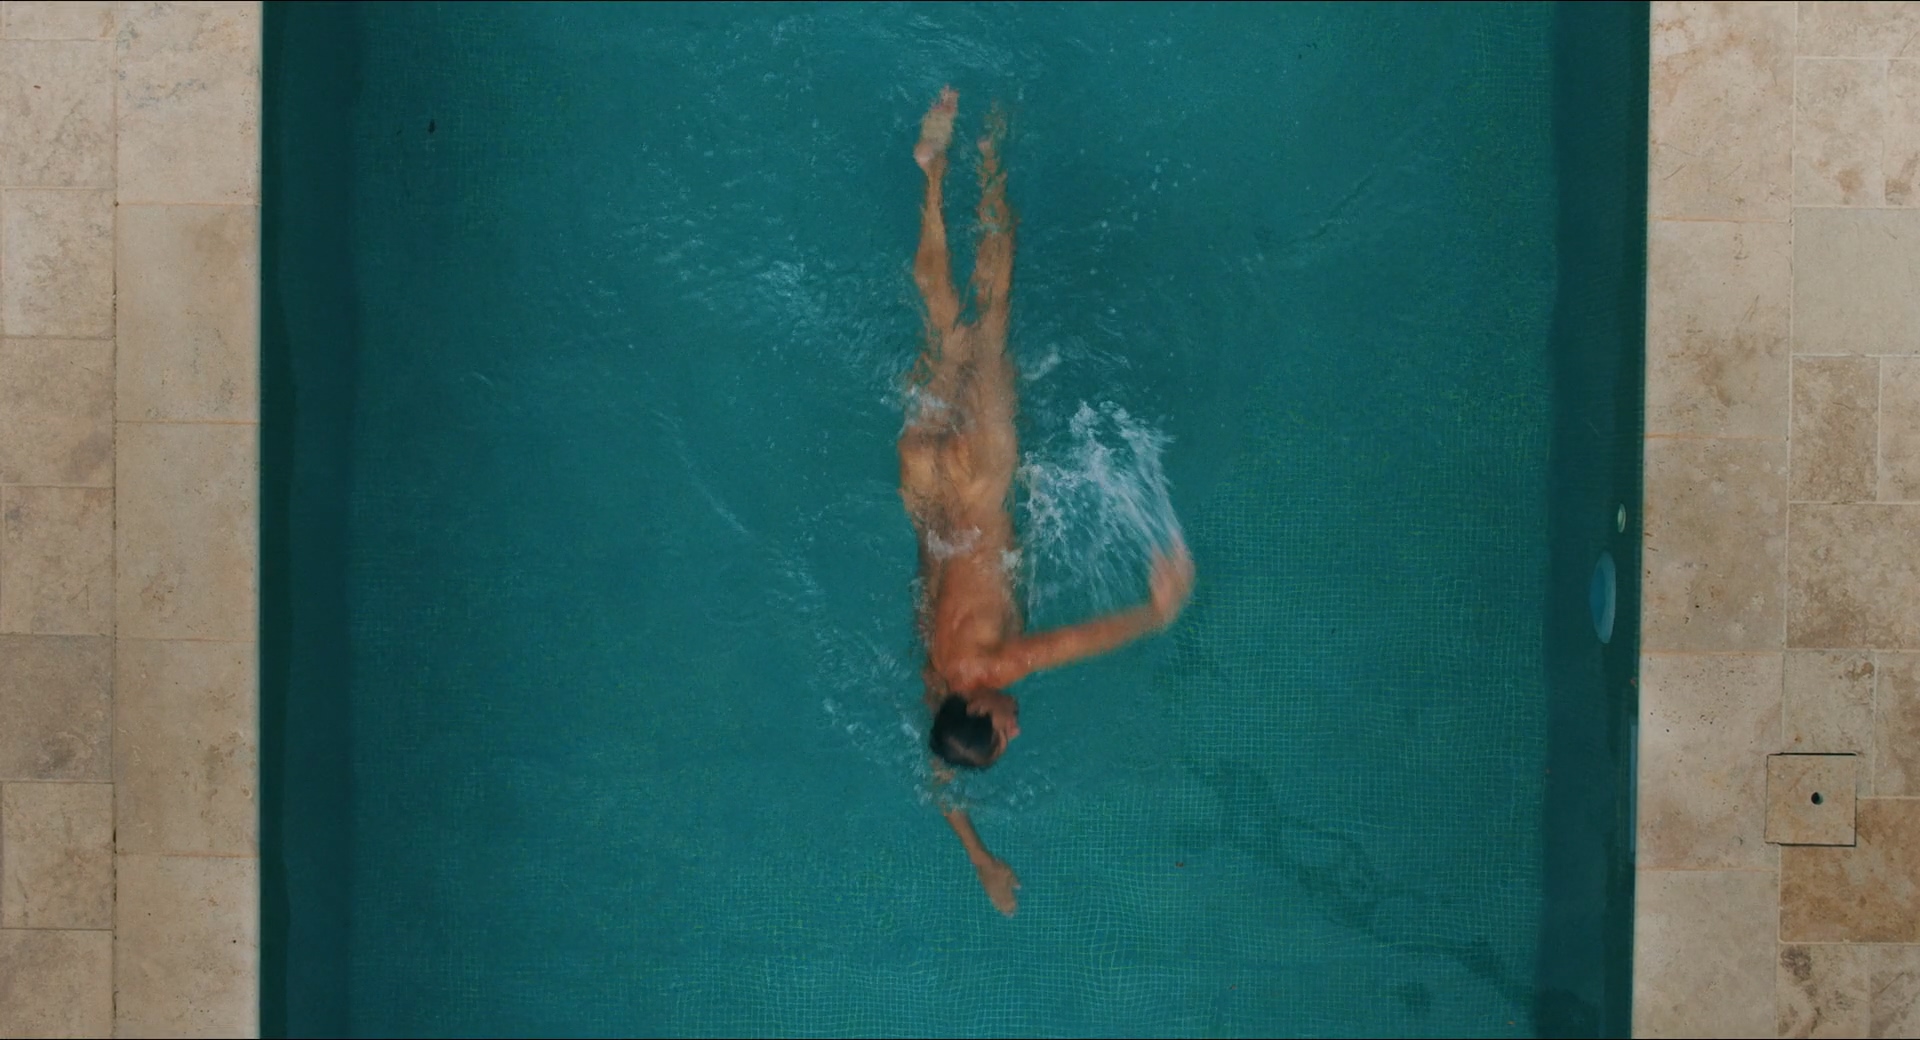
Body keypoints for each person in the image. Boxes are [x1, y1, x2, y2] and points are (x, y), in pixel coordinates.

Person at [897, 87, 1196, 916]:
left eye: (1003, 726)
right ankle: (932, 177)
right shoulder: (937, 683)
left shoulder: (992, 669)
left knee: (992, 315)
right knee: (942, 326)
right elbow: (936, 774)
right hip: (924, 485)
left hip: (977, 479)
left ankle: (991, 157)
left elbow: (1073, 641)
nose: (1016, 724)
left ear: (978, 702)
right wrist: (979, 858)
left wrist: (1155, 613)